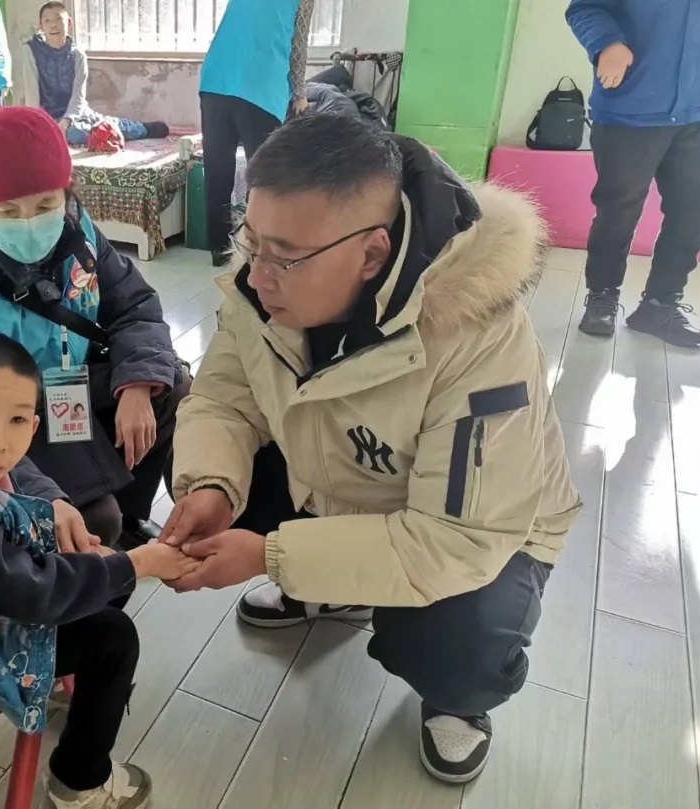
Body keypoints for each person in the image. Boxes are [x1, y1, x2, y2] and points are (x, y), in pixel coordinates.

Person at [161, 114, 582, 784]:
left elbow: (458, 540)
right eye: (251, 239)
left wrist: (270, 554)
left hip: (485, 533)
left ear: (373, 254)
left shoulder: (477, 336)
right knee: (198, 468)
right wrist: (212, 484)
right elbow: (223, 399)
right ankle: (330, 587)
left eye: (284, 256)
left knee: (457, 638)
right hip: (341, 480)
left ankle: (459, 697)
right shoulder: (263, 281)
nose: (258, 275)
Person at [0, 331, 197, 809]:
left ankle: (61, 681)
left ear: (34, 425)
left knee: (103, 579)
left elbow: (11, 525)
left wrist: (93, 553)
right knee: (114, 638)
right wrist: (137, 562)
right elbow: (34, 594)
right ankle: (77, 781)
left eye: (17, 419)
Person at [0, 105, 189, 550]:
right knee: (91, 523)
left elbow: (134, 304)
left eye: (45, 204)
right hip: (9, 418)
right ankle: (97, 546)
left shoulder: (80, 233)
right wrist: (46, 498)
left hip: (69, 387)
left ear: (66, 191)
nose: (30, 223)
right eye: (8, 210)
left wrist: (138, 385)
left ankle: (131, 516)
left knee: (168, 386)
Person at [568, 0, 700, 347]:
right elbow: (584, 8)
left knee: (694, 212)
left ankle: (659, 306)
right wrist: (607, 43)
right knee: (618, 209)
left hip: (699, 114)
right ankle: (602, 296)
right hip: (630, 108)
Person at [199, 0, 315, 267]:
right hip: (260, 84)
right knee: (263, 176)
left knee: (217, 170)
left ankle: (218, 248)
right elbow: (298, 44)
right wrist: (299, 93)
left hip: (216, 79)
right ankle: (259, 248)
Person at [14, 2, 169, 147]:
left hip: (75, 115)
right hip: (46, 116)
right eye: (47, 20)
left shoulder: (77, 55)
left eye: (58, 19)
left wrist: (66, 121)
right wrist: (37, 124)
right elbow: (32, 93)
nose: (53, 24)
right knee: (65, 135)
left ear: (69, 22)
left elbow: (78, 97)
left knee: (92, 130)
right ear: (40, 25)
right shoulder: (30, 50)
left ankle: (142, 129)